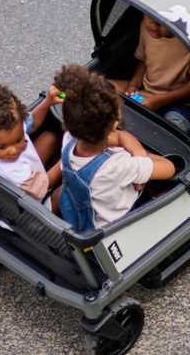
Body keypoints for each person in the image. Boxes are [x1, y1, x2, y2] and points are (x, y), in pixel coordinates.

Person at [53, 63, 178, 230]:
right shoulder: (118, 165)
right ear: (114, 124)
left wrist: (138, 154)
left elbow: (120, 137)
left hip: (79, 211)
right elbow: (169, 168)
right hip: (112, 225)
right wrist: (140, 159)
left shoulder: (69, 140)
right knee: (168, 189)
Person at [0, 83, 63, 207]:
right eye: (2, 147)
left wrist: (47, 102)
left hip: (28, 176)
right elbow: (46, 183)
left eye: (18, 140)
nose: (13, 150)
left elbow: (31, 125)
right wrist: (70, 155)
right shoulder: (13, 172)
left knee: (49, 138)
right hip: (31, 211)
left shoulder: (5, 129)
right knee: (65, 193)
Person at [111, 14, 190, 135]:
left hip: (184, 103)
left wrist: (159, 100)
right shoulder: (146, 29)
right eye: (150, 17)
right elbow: (144, 59)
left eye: (162, 22)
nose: (154, 25)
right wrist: (134, 83)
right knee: (102, 85)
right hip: (148, 91)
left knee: (169, 132)